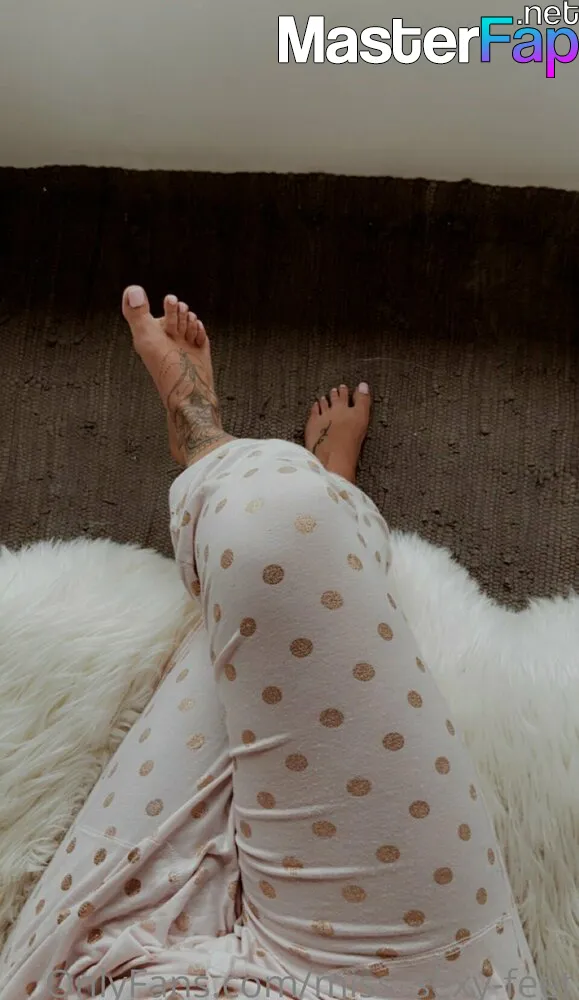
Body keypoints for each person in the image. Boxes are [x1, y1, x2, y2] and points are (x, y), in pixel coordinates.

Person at [0, 287, 544, 1000]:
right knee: (285, 527)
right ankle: (298, 489)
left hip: (92, 975)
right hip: (388, 983)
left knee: (267, 559)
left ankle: (209, 441)